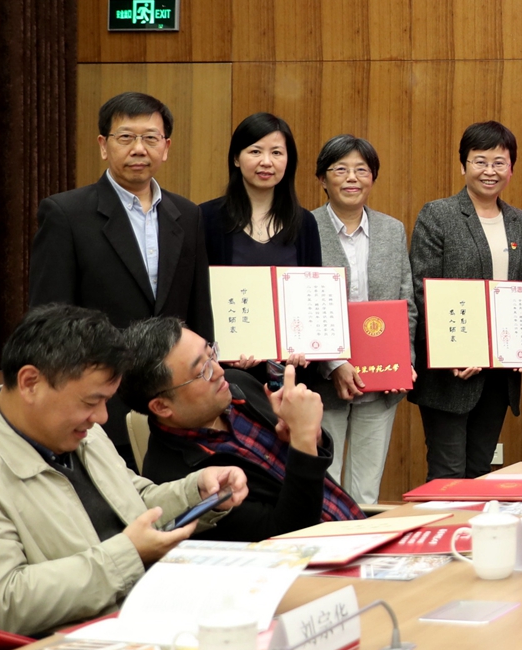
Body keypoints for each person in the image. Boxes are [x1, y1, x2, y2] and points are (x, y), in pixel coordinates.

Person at [0, 305, 246, 636]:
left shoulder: (79, 432)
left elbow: (133, 502)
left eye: (106, 401)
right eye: (90, 402)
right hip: (74, 648)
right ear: (30, 383)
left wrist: (196, 493)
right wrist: (128, 554)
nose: (102, 417)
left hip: (152, 611)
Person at [28, 91, 214, 466]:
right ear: (103, 145)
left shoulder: (187, 214)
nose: (138, 149)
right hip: (100, 402)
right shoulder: (66, 214)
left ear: (166, 147)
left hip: (174, 402)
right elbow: (49, 320)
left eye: (150, 138)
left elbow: (198, 308)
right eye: (126, 137)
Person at [122, 318, 360, 540]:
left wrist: (312, 436)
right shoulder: (178, 482)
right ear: (162, 406)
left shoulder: (238, 385)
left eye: (211, 353)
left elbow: (315, 462)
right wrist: (303, 440)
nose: (219, 371)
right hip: (322, 558)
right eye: (203, 371)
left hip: (357, 525)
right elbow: (284, 535)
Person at [411, 121, 522, 480]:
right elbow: (423, 288)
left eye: (499, 162)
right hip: (451, 373)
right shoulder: (438, 215)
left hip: (499, 373)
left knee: (481, 470)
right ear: (463, 165)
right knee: (448, 472)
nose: (489, 171)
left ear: (511, 168)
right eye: (480, 161)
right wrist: (454, 350)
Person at [306, 135, 413, 505]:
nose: (352, 178)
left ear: (372, 178)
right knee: (323, 487)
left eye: (361, 170)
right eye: (340, 170)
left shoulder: (392, 230)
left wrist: (403, 363)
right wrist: (334, 364)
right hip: (322, 384)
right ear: (322, 179)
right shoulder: (305, 228)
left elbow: (406, 303)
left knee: (365, 491)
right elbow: (299, 306)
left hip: (381, 383)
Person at [200, 112, 323, 273]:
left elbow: (312, 283)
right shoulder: (206, 217)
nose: (266, 162)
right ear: (236, 158)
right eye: (255, 152)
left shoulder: (305, 223)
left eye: (276, 153)